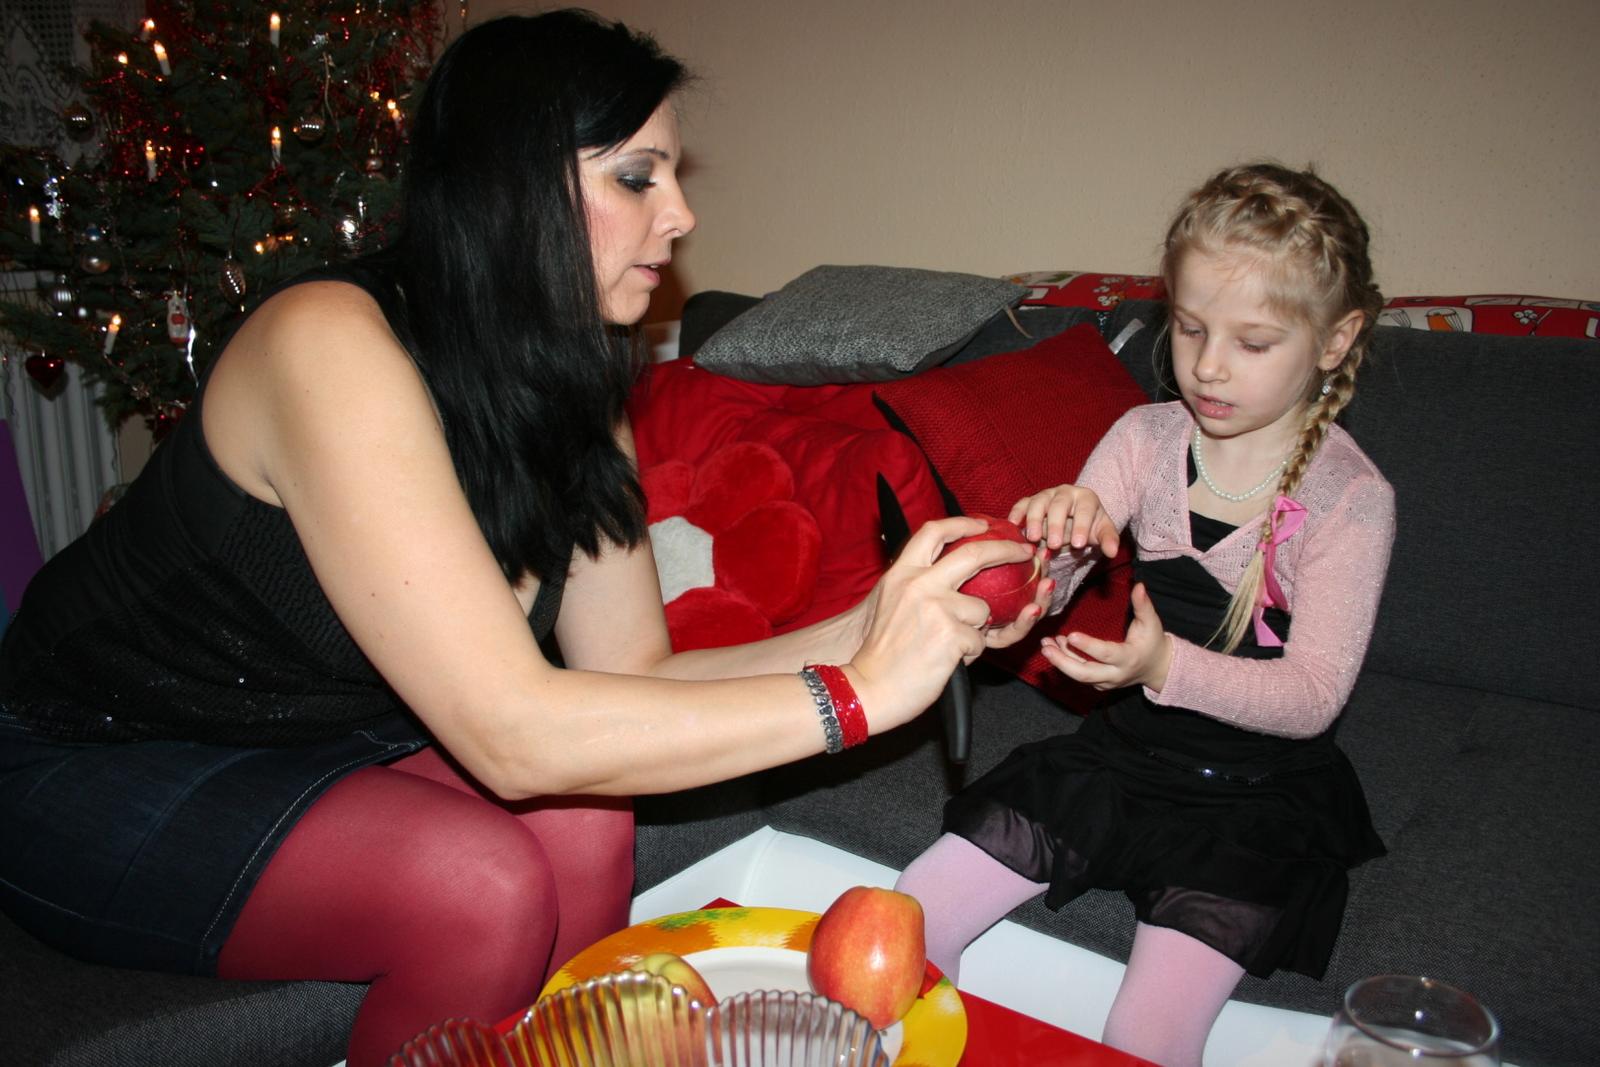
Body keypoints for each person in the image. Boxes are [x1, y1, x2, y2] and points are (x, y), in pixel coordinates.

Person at [0, 12, 1046, 1066]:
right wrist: (856, 695)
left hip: (309, 736)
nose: (682, 213)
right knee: (479, 886)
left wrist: (890, 619)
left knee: (587, 820)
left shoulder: (574, 380)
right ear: (514, 185)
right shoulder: (327, 345)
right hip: (92, 752)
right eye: (636, 177)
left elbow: (634, 673)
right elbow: (512, 733)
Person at [894, 162, 1394, 1067]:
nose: (1207, 365)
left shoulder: (1350, 499)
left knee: (1144, 1036)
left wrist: (1163, 667)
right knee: (910, 920)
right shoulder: (1145, 437)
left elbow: (1315, 695)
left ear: (1336, 339)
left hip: (1252, 798)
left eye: (1253, 341)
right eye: (1191, 328)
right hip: (1121, 758)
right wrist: (1043, 558)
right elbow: (1059, 578)